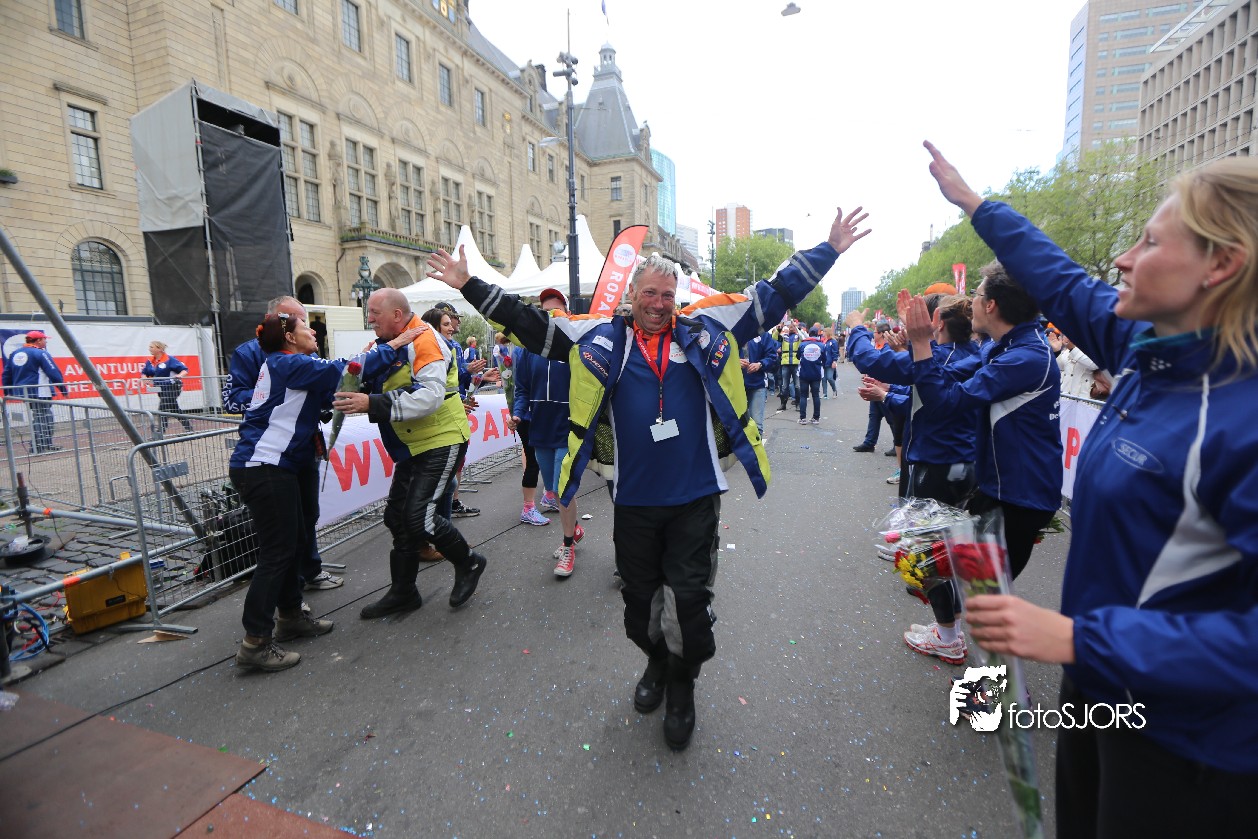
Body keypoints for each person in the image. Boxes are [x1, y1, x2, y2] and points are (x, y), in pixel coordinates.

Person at [426, 205, 871, 751]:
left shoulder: (708, 327)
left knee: (689, 604)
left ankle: (682, 685)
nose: (659, 304)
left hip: (695, 499)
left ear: (677, 298)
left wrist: (828, 251)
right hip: (633, 500)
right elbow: (529, 324)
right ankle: (657, 662)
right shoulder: (599, 338)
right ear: (632, 295)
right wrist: (468, 284)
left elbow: (773, 295)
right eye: (650, 294)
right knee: (640, 610)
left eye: (668, 295)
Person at [924, 143, 1258, 837]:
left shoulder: (1241, 415)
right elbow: (1062, 278)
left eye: (1150, 242)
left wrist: (1083, 636)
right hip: (1096, 686)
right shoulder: (1148, 350)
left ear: (1221, 265)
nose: (1125, 259)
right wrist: (977, 207)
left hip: (1184, 744)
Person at [230, 312, 415, 671]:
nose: (313, 330)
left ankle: (290, 617)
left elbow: (335, 390)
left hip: (276, 466)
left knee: (293, 544)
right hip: (265, 467)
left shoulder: (288, 364)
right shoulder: (288, 363)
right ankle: (255, 641)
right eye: (304, 327)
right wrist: (391, 345)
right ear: (289, 337)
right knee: (276, 553)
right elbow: (342, 370)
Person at [334, 288, 489, 620]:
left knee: (420, 517)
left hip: (440, 439)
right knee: (397, 517)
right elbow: (374, 382)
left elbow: (429, 396)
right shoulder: (387, 342)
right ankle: (403, 592)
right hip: (414, 445)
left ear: (396, 315)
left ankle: (469, 562)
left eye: (374, 312)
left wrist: (370, 403)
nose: (369, 319)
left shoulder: (424, 339)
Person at [223, 295, 348, 588]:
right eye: (296, 320)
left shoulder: (305, 349)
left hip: (306, 443)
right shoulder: (249, 353)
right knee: (284, 529)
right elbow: (231, 399)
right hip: (273, 452)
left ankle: (310, 571)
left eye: (303, 319)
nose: (305, 326)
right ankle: (289, 592)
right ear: (277, 322)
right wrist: (271, 393)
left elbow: (319, 385)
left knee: (308, 513)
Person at [512, 287, 585, 576]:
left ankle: (567, 546)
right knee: (553, 490)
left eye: (556, 310)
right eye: (545, 311)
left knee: (563, 488)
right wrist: (518, 413)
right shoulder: (526, 349)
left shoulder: (575, 345)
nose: (551, 315)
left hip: (568, 427)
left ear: (567, 314)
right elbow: (522, 389)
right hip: (539, 428)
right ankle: (574, 528)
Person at [3, 329, 67, 453]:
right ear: (38, 341)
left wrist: (8, 390)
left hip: (24, 392)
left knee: (40, 416)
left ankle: (44, 443)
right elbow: (53, 371)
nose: (46, 342)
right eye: (44, 340)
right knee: (43, 417)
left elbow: (7, 374)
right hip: (40, 391)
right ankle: (38, 445)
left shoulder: (15, 353)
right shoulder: (41, 353)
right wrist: (62, 388)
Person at [143, 340, 194, 435]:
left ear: (159, 349)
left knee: (163, 407)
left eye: (152, 347)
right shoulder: (150, 361)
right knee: (174, 409)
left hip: (172, 387)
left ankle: (161, 431)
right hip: (161, 388)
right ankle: (189, 428)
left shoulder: (169, 359)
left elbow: (184, 370)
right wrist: (145, 379)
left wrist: (179, 376)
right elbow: (144, 373)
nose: (149, 349)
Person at [740, 328, 778, 434]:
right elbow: (722, 355)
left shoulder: (763, 333)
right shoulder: (733, 330)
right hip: (736, 386)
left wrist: (760, 364)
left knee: (757, 426)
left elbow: (772, 357)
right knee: (738, 426)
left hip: (757, 385)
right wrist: (734, 362)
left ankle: (756, 445)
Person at [796, 327, 827, 424]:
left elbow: (798, 356)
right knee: (816, 395)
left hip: (804, 373)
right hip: (816, 373)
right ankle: (816, 418)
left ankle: (802, 418)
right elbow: (824, 359)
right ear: (817, 334)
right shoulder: (821, 345)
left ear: (809, 334)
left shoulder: (802, 344)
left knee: (803, 395)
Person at [777, 321, 802, 411]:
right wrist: (779, 329)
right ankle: (783, 404)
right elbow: (774, 337)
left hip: (796, 363)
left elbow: (804, 338)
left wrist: (797, 329)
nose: (791, 328)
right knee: (784, 386)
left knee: (797, 385)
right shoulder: (784, 337)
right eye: (790, 327)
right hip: (785, 363)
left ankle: (798, 404)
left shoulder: (798, 336)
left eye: (793, 327)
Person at [821, 327, 840, 398]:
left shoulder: (833, 342)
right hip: (823, 362)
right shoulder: (824, 341)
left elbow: (835, 352)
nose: (823, 333)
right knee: (823, 378)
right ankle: (825, 393)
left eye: (824, 332)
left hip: (830, 362)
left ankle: (834, 391)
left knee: (829, 378)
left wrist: (834, 361)